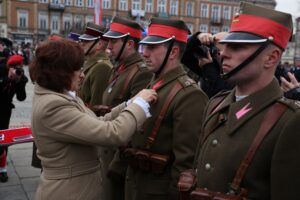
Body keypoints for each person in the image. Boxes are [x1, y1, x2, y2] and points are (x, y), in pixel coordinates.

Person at [184, 2, 300, 199]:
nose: (224, 53)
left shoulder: (289, 121)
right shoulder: (216, 103)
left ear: (271, 58)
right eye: (226, 44)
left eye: (237, 47)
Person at [29, 39, 157, 200]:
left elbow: (99, 123)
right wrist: (140, 105)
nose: (82, 75)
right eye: (77, 70)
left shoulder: (59, 95)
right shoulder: (54, 105)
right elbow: (112, 133)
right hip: (69, 192)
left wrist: (129, 103)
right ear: (60, 72)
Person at [121, 18, 208, 200]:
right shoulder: (153, 84)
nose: (144, 53)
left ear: (173, 52)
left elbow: (185, 164)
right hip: (134, 187)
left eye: (152, 48)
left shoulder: (189, 95)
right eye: (145, 47)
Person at [100, 16, 153, 200]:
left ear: (130, 44)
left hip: (118, 158)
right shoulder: (120, 68)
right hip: (107, 150)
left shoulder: (141, 72)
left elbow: (137, 123)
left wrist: (118, 166)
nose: (109, 46)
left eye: (114, 42)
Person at [0, 54, 28, 182]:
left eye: (18, 67)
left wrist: (18, 81)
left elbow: (21, 98)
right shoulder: (1, 70)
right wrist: (7, 79)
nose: (16, 70)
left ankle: (2, 169)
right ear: (8, 66)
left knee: (2, 137)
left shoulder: (21, 77)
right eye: (13, 67)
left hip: (5, 110)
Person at [182, 31, 232, 98]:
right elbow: (183, 54)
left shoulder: (236, 72)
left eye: (217, 49)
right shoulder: (211, 63)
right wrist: (198, 37)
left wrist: (208, 68)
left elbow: (220, 95)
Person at [78, 22, 113, 112]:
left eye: (86, 41)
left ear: (99, 44)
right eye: (82, 40)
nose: (81, 44)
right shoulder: (92, 65)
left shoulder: (102, 67)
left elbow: (96, 107)